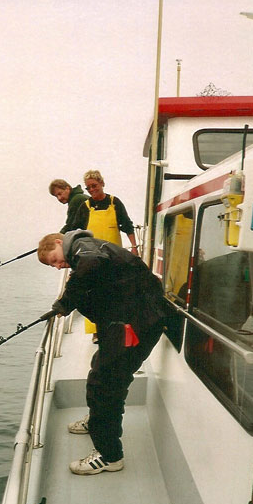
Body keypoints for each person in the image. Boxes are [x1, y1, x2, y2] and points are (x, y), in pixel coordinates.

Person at [37, 229, 167, 475]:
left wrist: (64, 303)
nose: (57, 266)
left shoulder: (84, 249)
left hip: (135, 324)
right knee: (99, 371)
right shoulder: (87, 250)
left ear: (58, 242)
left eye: (54, 260)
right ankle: (96, 420)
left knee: (106, 384)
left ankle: (109, 456)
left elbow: (91, 265)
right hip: (125, 320)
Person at [74, 170, 138, 341]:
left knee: (117, 292)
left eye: (94, 186)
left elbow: (127, 225)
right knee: (94, 293)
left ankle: (118, 327)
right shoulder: (85, 207)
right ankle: (96, 331)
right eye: (88, 188)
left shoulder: (114, 202)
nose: (92, 190)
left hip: (114, 256)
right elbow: (76, 231)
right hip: (92, 257)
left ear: (102, 183)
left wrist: (134, 247)